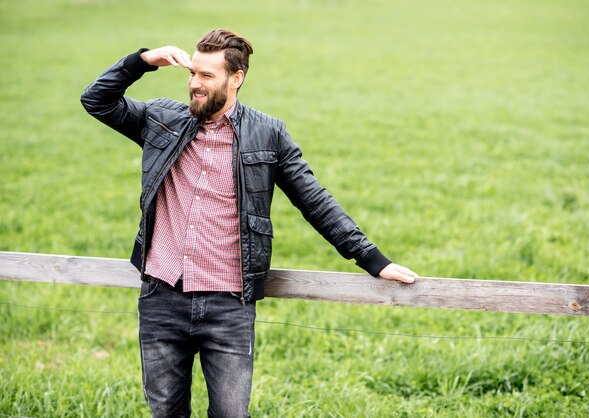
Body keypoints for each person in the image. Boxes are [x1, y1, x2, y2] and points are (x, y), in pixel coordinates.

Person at [81, 29, 418, 418]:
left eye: (207, 76)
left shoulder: (268, 134)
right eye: (192, 73)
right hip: (162, 297)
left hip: (229, 306)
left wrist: (373, 259)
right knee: (166, 413)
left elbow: (315, 201)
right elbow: (96, 100)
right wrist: (143, 61)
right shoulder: (162, 119)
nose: (194, 84)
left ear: (236, 78)